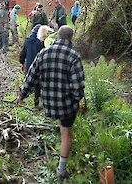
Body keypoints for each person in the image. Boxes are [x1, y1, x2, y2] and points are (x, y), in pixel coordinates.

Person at [18, 25, 85, 181]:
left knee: (63, 129)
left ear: (57, 37)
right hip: (66, 105)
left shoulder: (43, 53)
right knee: (66, 133)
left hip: (48, 104)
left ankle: (59, 153)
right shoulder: (74, 56)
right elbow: (78, 87)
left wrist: (22, 96)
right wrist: (76, 100)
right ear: (70, 38)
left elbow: (31, 77)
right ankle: (61, 170)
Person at [19, 24, 44, 110]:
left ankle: (21, 97)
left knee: (28, 82)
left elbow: (22, 54)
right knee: (38, 86)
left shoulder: (27, 41)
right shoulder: (40, 42)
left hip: (30, 66)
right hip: (39, 66)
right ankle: (36, 104)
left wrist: (22, 63)